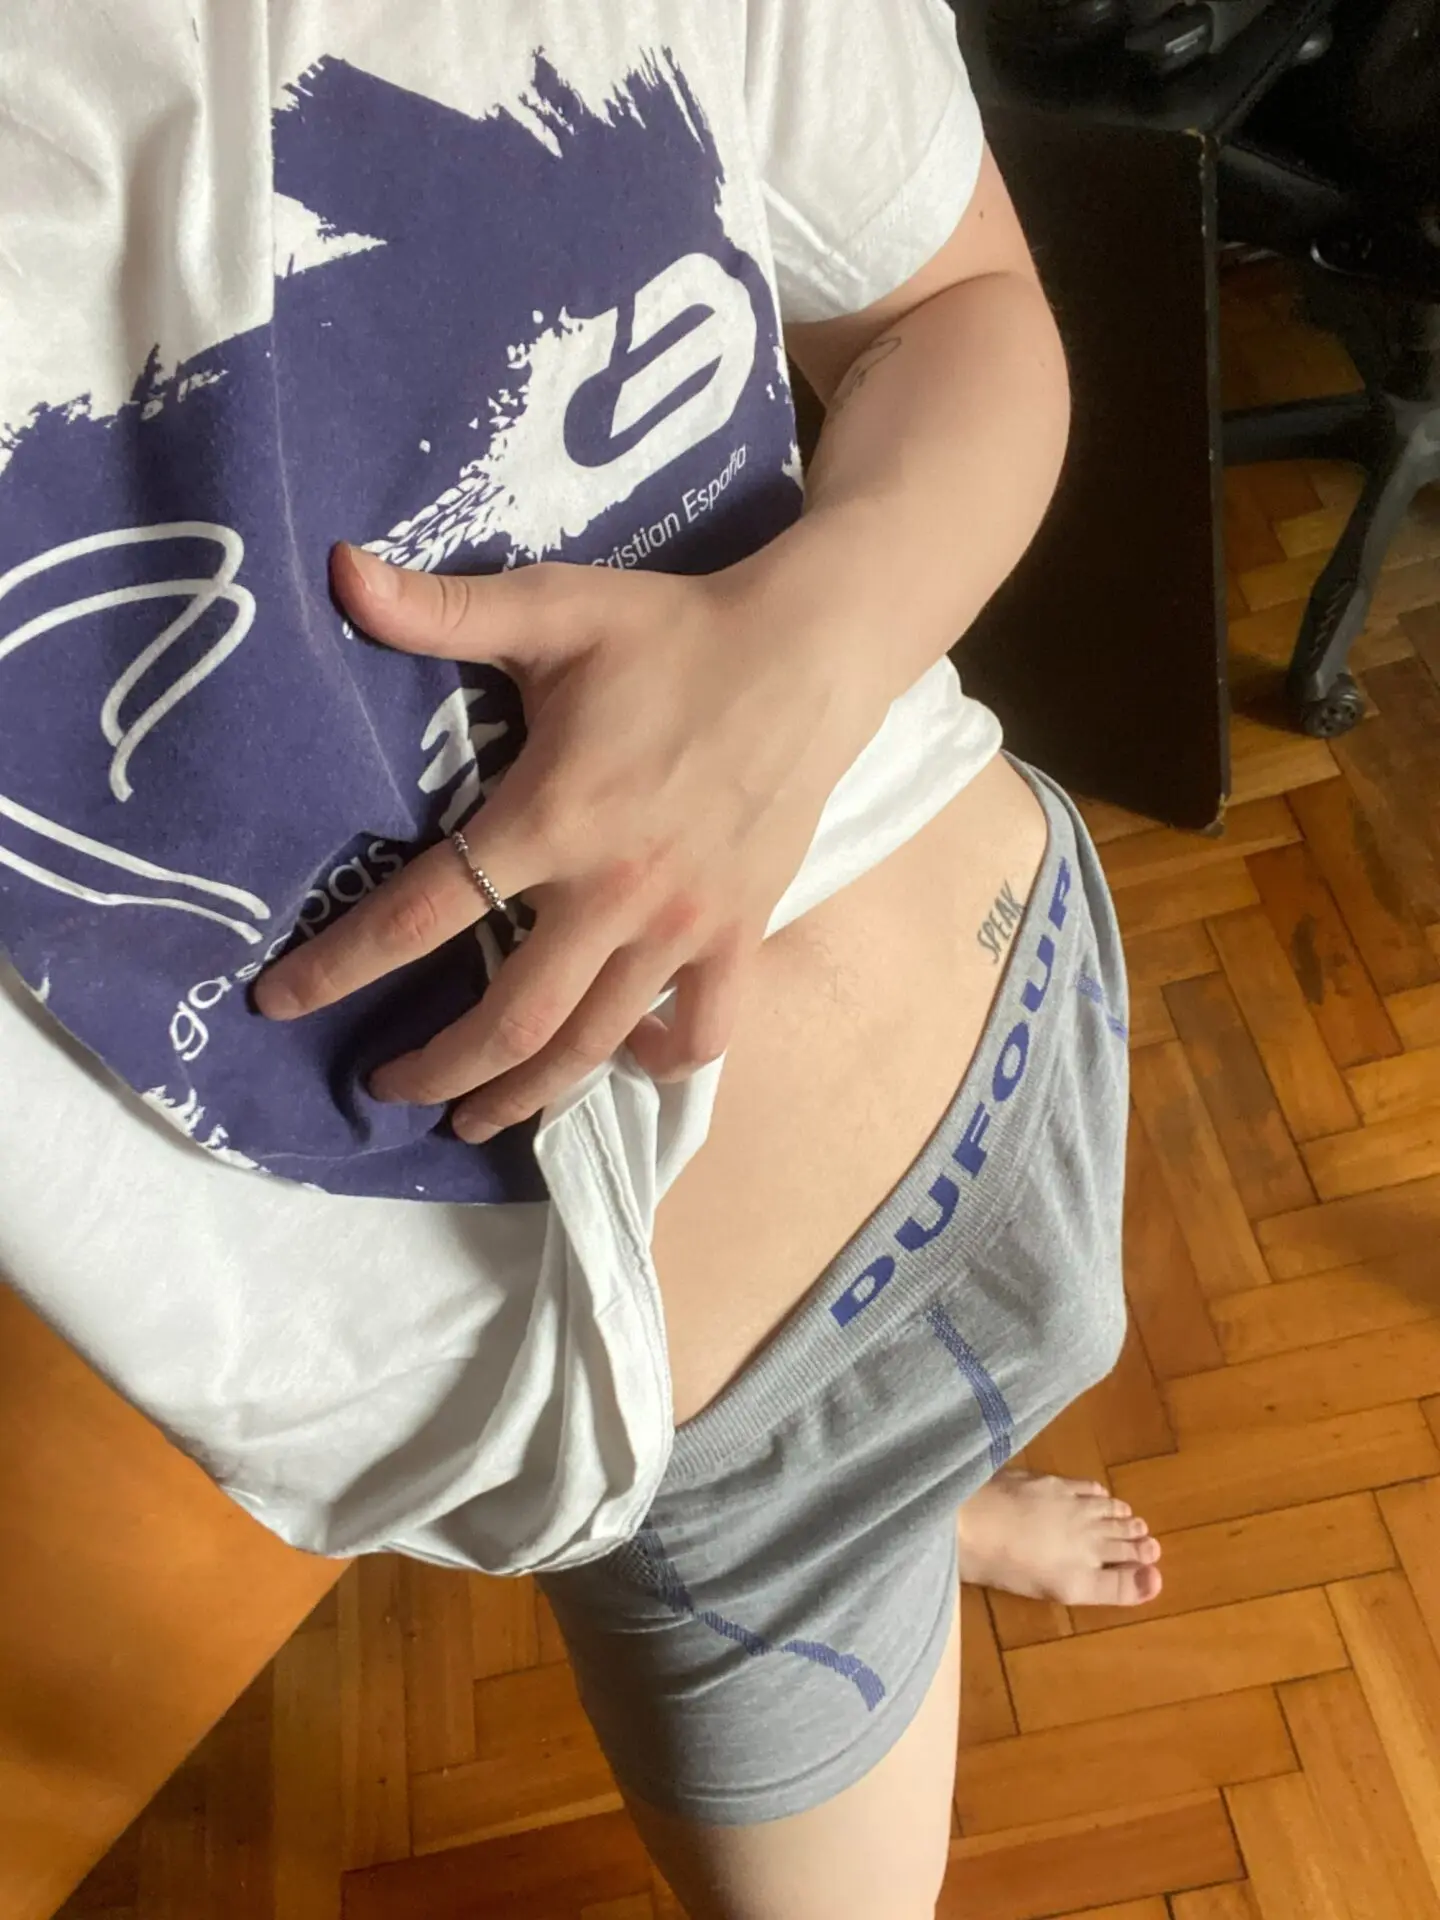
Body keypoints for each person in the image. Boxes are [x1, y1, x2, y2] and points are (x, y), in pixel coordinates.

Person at [0, 3, 1159, 1914]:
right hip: (695, 1423)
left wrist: (807, 652)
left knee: (957, 1430)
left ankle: (933, 1499)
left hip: (1026, 1003)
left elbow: (957, 311)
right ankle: (912, 1516)